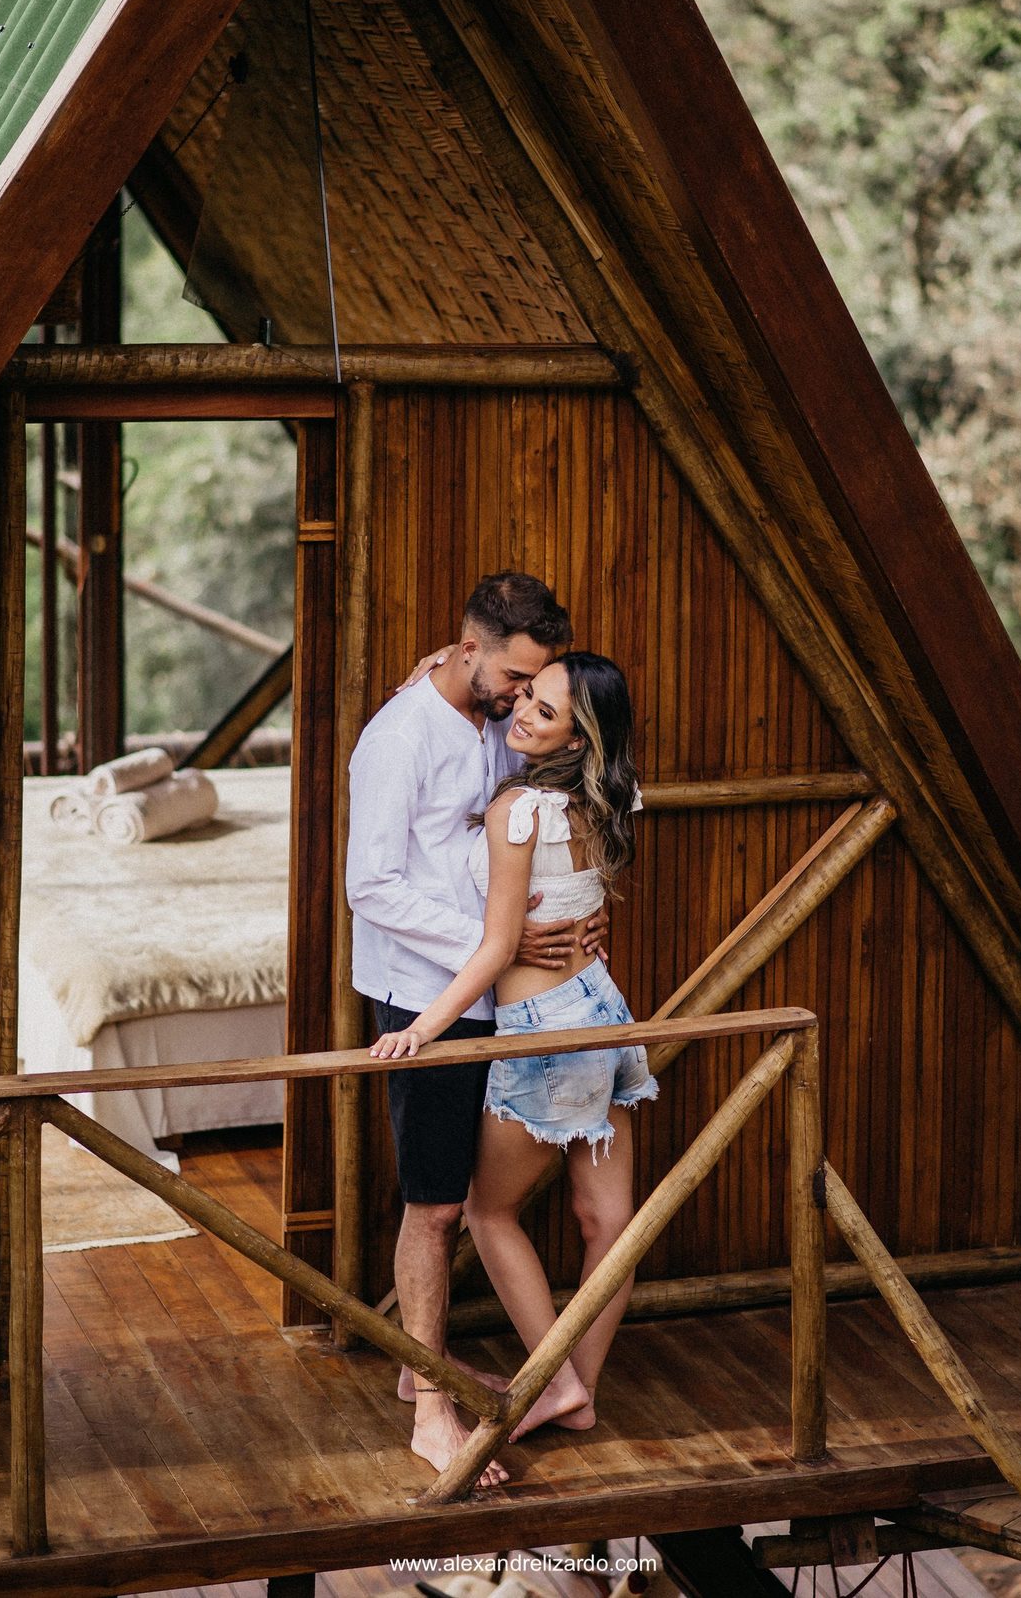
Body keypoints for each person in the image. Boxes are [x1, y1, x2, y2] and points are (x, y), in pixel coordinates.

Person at [345, 572, 608, 1489]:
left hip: (516, 998)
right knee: (436, 1204)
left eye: (534, 687)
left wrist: (551, 931)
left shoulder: (499, 714)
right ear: (469, 651)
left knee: (488, 1200)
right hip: (426, 997)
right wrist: (499, 943)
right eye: (511, 679)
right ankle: (429, 1407)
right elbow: (370, 886)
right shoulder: (398, 738)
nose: (519, 699)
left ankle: (483, 1372)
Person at [371, 651, 658, 1449]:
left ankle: (559, 1381)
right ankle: (581, 1394)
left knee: (491, 1213)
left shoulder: (519, 812)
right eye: (526, 694)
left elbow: (497, 949)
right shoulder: (607, 799)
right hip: (604, 1010)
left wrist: (421, 1028)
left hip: (541, 1032)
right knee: (610, 1221)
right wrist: (424, 677)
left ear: (578, 734)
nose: (522, 713)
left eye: (544, 710)